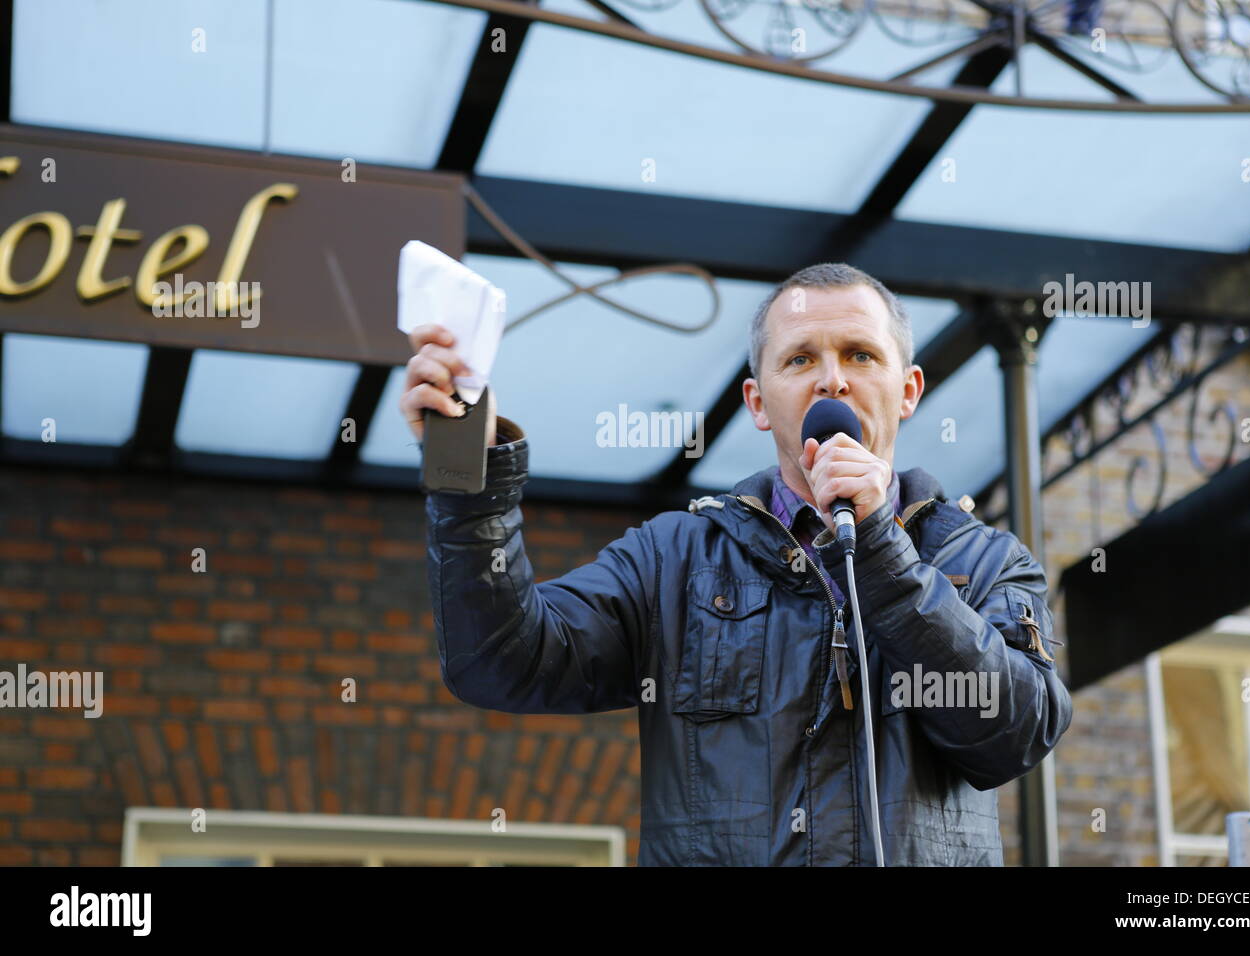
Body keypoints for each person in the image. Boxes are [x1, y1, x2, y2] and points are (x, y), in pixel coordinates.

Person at [402, 261, 1073, 866]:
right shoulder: (673, 560)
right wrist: (472, 475)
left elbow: (1012, 736)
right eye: (801, 359)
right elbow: (501, 663)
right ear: (758, 402)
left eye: (861, 354)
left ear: (908, 391)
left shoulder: (983, 561)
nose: (832, 378)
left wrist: (880, 549)